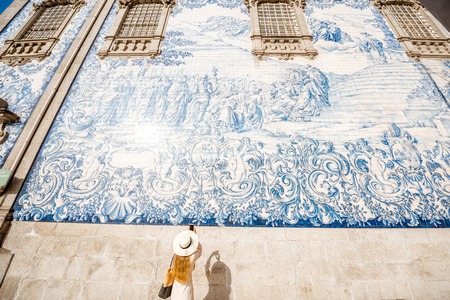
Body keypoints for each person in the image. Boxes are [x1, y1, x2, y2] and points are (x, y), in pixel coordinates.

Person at [171, 227, 202, 300]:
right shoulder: (191, 258)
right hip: (186, 295)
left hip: (175, 295)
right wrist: (194, 236)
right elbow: (199, 249)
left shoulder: (175, 258)